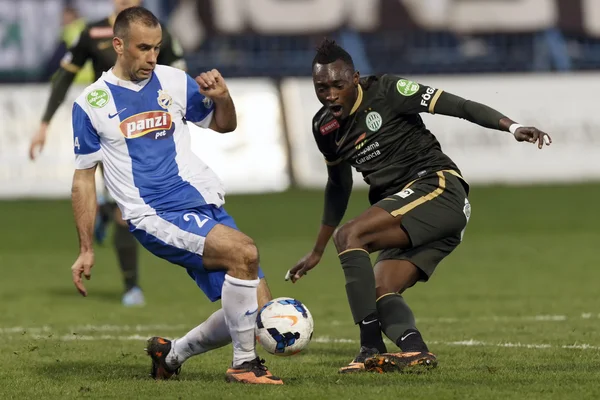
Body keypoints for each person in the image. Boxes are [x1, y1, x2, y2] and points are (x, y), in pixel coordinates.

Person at [287, 39, 552, 374]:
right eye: (321, 87)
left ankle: (369, 348)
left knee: (350, 235)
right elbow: (339, 186)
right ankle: (415, 351)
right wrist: (316, 250)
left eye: (338, 85)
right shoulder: (324, 127)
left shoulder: (388, 90)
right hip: (406, 214)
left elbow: (459, 105)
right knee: (379, 292)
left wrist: (511, 127)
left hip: (437, 188)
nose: (330, 94)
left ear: (355, 78)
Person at [69, 6, 282, 385]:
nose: (152, 57)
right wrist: (86, 247)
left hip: (203, 202)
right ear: (118, 45)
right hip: (154, 214)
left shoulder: (173, 80)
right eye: (143, 48)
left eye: (157, 48)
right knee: (245, 253)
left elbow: (223, 125)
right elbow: (84, 179)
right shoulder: (92, 103)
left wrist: (223, 98)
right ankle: (243, 366)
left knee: (258, 312)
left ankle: (171, 354)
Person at [31, 0, 187, 307]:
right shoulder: (92, 32)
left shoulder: (157, 34)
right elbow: (64, 76)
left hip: (143, 130)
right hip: (107, 130)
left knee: (125, 210)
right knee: (124, 212)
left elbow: (179, 75)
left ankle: (102, 210)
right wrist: (44, 123)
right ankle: (132, 286)